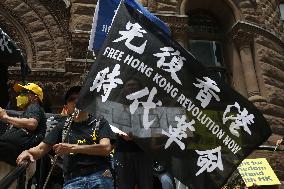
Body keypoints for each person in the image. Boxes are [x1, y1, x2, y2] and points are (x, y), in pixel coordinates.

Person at [17, 86, 115, 189]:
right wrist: (28, 152)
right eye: (71, 99)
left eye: (81, 98)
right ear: (66, 106)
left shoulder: (99, 122)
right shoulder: (62, 126)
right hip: (73, 179)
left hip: (99, 175)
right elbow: (41, 148)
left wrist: (73, 148)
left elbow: (105, 148)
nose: (76, 101)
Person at [115, 78, 154, 189]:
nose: (131, 87)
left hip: (144, 152)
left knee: (146, 184)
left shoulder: (148, 105)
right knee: (124, 185)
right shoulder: (118, 104)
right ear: (124, 89)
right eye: (129, 85)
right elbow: (115, 126)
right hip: (123, 151)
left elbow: (152, 128)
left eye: (134, 85)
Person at [0, 82, 46, 165]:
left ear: (35, 97)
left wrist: (6, 117)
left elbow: (32, 124)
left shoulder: (34, 106)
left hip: (15, 150)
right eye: (20, 93)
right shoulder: (28, 110)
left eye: (24, 93)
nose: (20, 96)